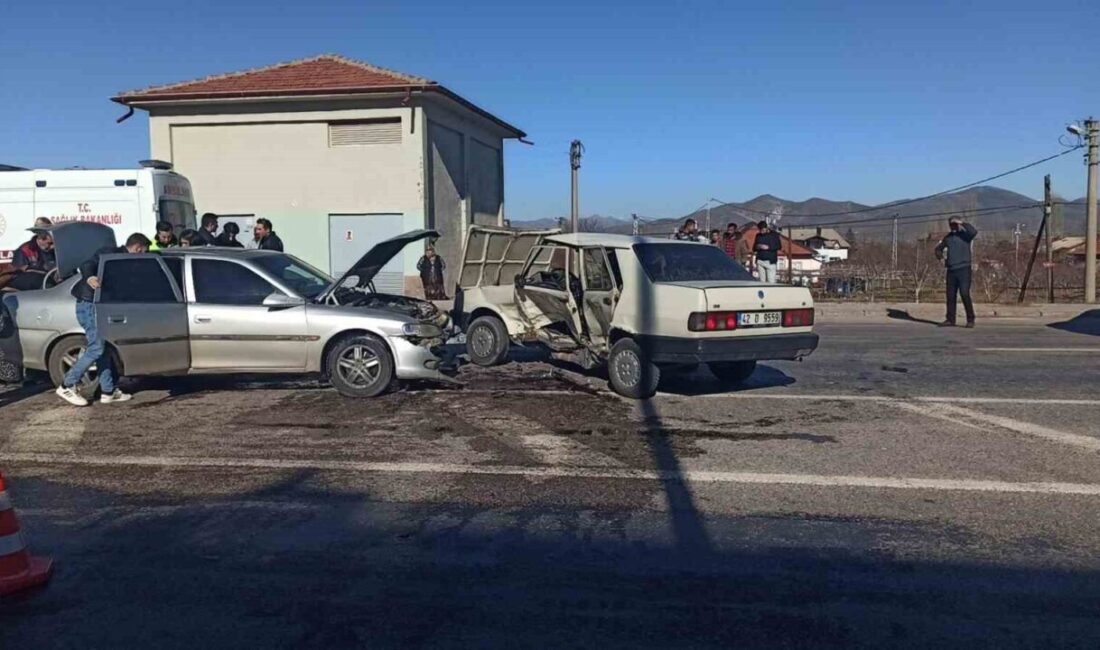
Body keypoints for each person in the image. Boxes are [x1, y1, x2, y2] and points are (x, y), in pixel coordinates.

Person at [55, 233, 151, 407]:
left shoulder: (125, 262)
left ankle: (108, 391)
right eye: (144, 251)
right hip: (90, 305)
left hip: (100, 307)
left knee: (103, 348)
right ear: (138, 248)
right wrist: (90, 276)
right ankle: (67, 385)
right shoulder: (110, 253)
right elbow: (87, 264)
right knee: (97, 347)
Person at [934, 217, 978, 327]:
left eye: (954, 224)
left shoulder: (965, 236)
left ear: (958, 225)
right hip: (951, 270)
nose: (952, 226)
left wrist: (962, 222)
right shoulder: (948, 238)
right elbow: (938, 249)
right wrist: (941, 258)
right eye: (951, 225)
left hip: (964, 269)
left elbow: (974, 231)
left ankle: (970, 319)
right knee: (950, 296)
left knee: (964, 293)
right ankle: (950, 319)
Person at [8, 226, 57, 291]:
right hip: (30, 289)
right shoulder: (24, 250)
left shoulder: (53, 251)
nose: (53, 246)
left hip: (50, 284)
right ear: (41, 239)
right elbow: (16, 274)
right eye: (50, 243)